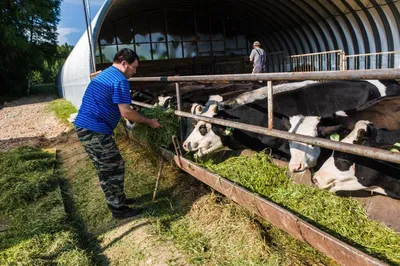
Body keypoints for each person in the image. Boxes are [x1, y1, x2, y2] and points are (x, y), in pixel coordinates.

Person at [74, 48, 161, 219]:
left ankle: (118, 200)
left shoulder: (105, 74)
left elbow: (111, 103)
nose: (134, 72)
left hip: (87, 126)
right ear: (124, 64)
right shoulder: (120, 80)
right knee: (114, 167)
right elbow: (126, 113)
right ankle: (118, 209)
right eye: (134, 67)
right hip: (94, 129)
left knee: (105, 167)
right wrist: (150, 122)